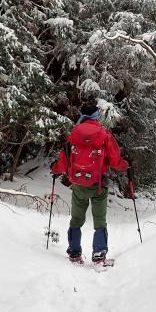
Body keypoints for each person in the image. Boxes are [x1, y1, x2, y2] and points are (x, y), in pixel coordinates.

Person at [51, 99, 129, 264]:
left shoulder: (74, 134)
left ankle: (74, 252)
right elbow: (115, 161)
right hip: (98, 184)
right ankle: (99, 253)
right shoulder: (104, 134)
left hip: (78, 184)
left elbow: (64, 161)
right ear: (96, 116)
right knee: (99, 219)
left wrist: (55, 169)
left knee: (76, 220)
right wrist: (125, 165)